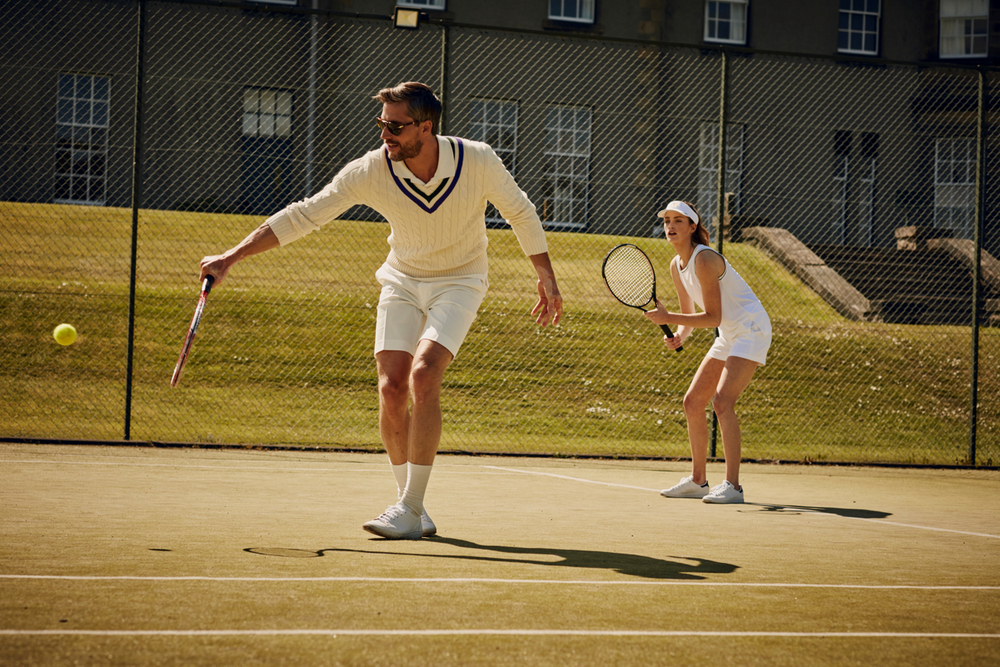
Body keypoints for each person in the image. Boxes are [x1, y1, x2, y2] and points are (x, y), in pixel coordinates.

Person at [199, 82, 562, 538]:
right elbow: (305, 215)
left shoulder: (478, 159)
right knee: (392, 389)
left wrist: (546, 275)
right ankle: (410, 507)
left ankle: (409, 507)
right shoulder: (372, 168)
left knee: (424, 376)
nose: (385, 134)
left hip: (461, 279)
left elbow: (521, 213)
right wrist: (230, 257)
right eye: (381, 124)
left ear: (425, 128)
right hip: (402, 279)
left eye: (395, 126)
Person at [644, 200, 771, 504]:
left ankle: (733, 486)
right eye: (667, 221)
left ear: (692, 227)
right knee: (692, 402)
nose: (670, 226)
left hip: (750, 328)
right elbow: (690, 313)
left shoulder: (704, 259)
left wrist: (668, 317)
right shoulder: (676, 265)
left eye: (678, 220)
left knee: (722, 402)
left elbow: (712, 317)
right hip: (729, 332)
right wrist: (679, 334)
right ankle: (699, 481)